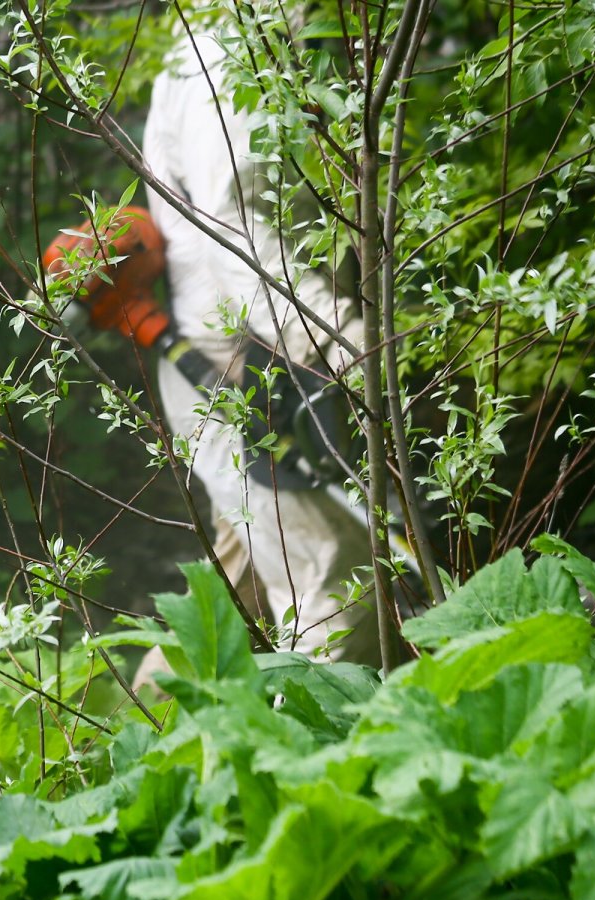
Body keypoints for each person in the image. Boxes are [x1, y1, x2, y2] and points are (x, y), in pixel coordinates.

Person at [141, 20, 380, 664]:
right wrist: (332, 336)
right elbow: (235, 228)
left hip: (256, 346)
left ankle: (159, 732)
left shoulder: (252, 33)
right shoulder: (227, 49)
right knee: (331, 577)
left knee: (237, 587)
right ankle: (316, 756)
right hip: (244, 365)